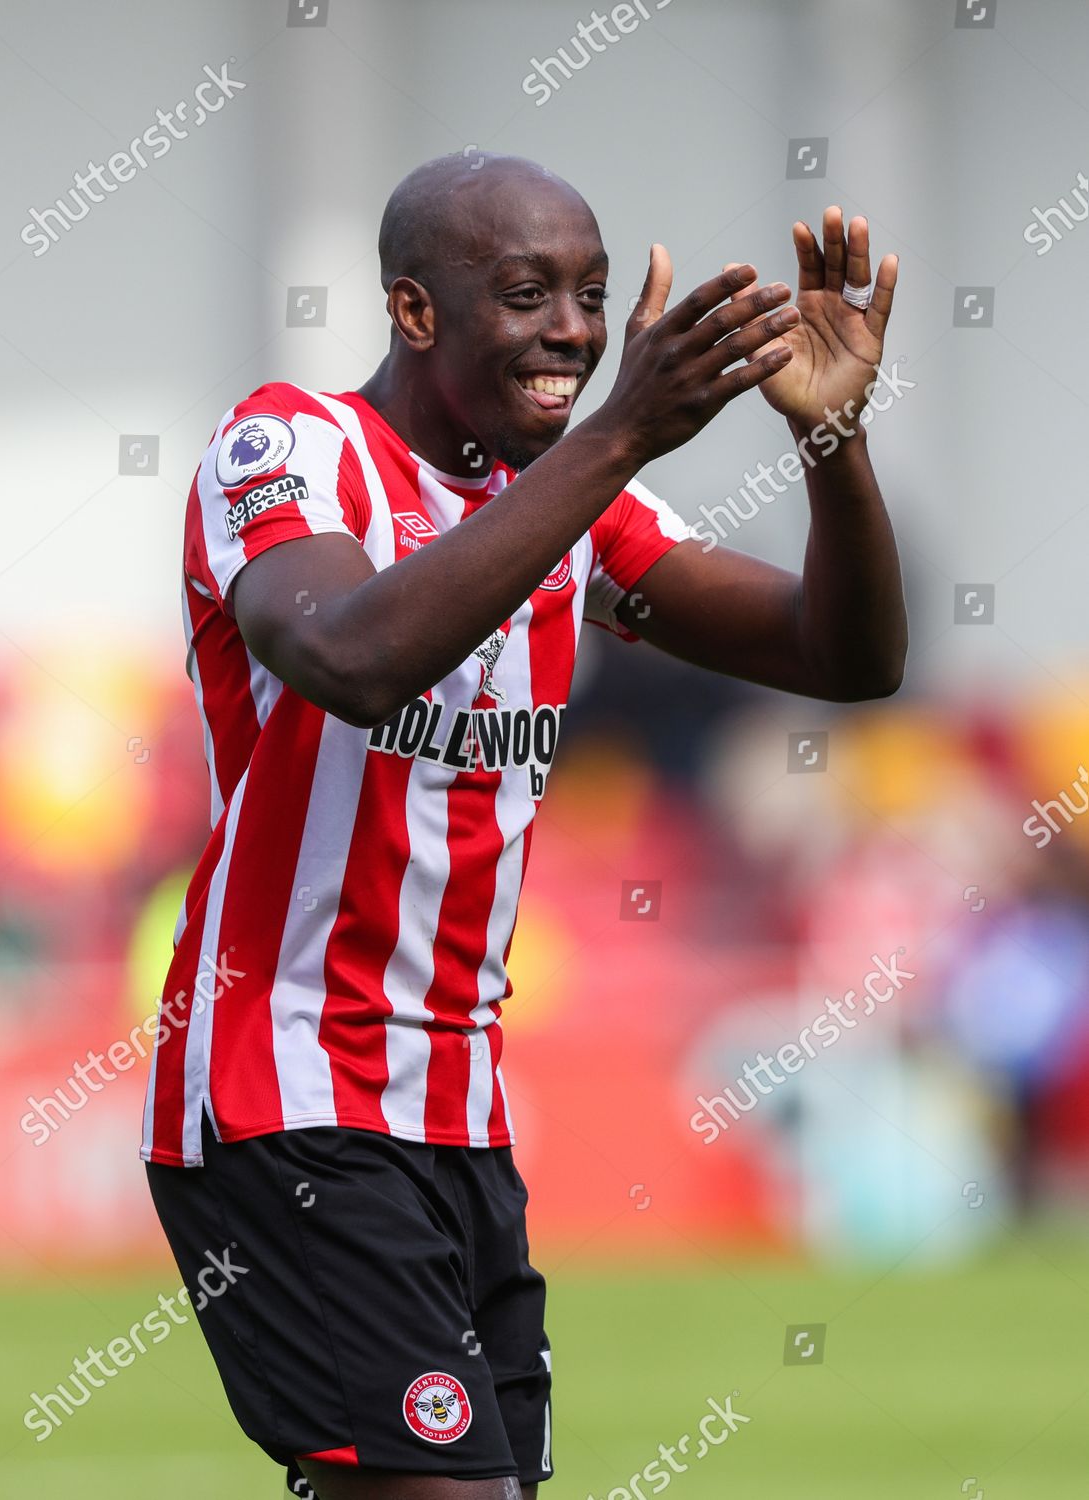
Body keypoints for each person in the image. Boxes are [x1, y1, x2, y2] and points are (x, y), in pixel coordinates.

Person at [142, 152, 906, 1499]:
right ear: (417, 310)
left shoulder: (569, 502)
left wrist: (830, 442)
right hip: (290, 1097)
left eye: (593, 295)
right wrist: (622, 435)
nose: (572, 327)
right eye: (527, 292)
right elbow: (348, 654)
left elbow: (841, 655)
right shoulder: (288, 446)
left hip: (462, 1116)